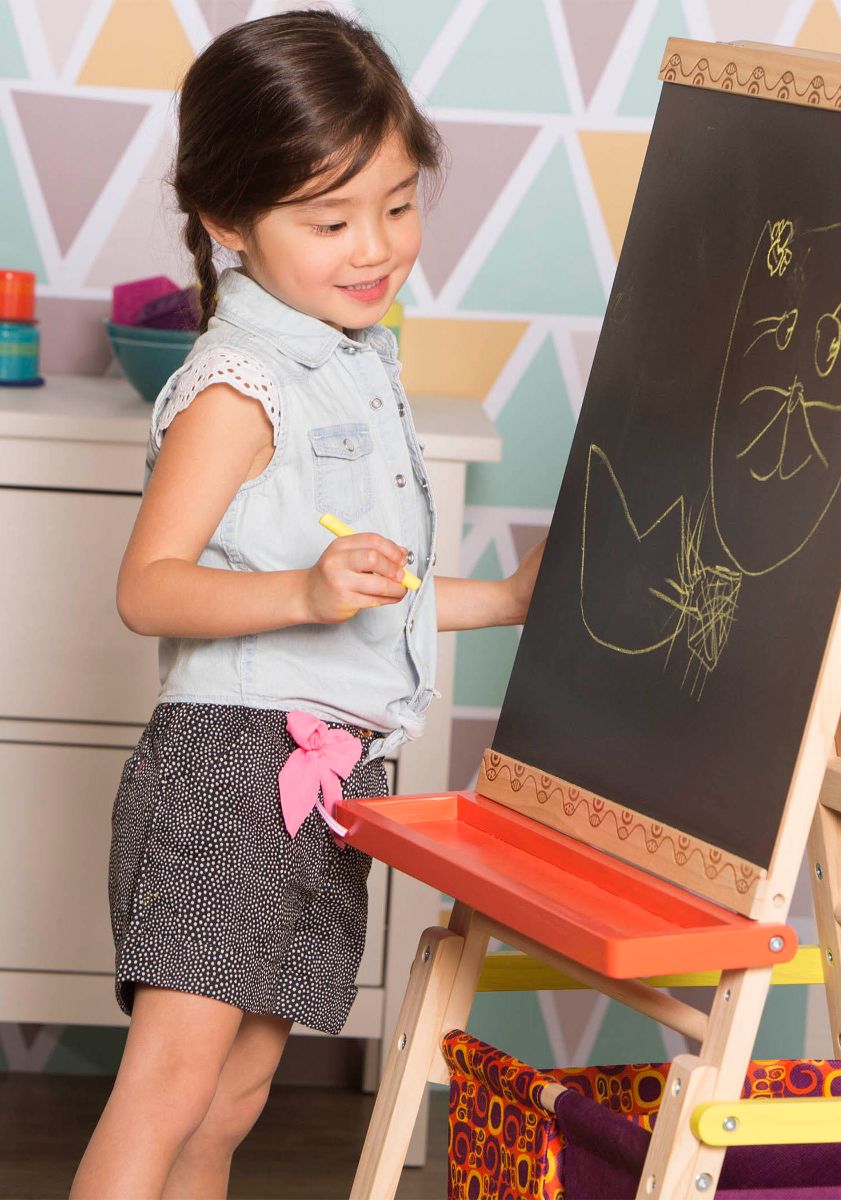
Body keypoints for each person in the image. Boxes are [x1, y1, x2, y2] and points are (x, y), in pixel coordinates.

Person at [71, 11, 542, 1196]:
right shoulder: (242, 386)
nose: (374, 245)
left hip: (329, 788)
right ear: (228, 223)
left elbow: (387, 604)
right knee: (168, 1093)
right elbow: (148, 588)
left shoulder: (354, 358)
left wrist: (522, 598)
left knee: (229, 1108)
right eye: (330, 221)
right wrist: (302, 590)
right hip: (231, 773)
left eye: (396, 203)